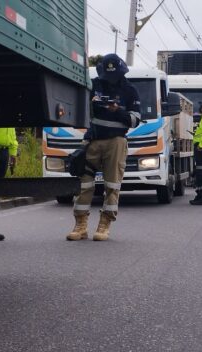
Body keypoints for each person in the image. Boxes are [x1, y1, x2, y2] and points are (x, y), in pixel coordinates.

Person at [67, 53, 141, 241]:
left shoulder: (130, 91)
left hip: (116, 142)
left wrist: (118, 111)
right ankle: (80, 225)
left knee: (112, 185)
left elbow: (135, 120)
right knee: (84, 183)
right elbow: (80, 110)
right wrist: (90, 104)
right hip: (92, 139)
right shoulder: (95, 85)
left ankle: (104, 224)